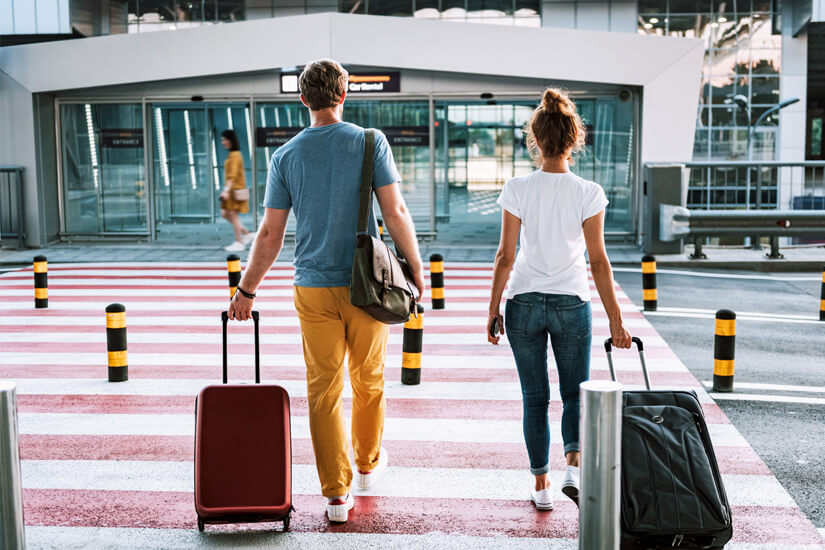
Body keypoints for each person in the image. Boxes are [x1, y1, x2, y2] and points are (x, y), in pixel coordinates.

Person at [227, 59, 425, 524]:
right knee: (369, 380)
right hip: (369, 286)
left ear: (303, 99)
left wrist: (246, 291)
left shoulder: (286, 156)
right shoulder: (370, 142)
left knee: (323, 390)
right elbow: (395, 212)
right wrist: (417, 275)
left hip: (313, 287)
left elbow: (270, 235)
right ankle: (367, 467)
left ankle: (336, 496)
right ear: (344, 94)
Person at [486, 87, 632, 512]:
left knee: (534, 398)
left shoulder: (517, 187)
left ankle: (541, 486)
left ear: (536, 138)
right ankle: (573, 466)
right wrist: (617, 321)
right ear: (574, 140)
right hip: (571, 301)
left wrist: (493, 308)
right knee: (573, 395)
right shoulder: (589, 191)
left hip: (524, 302)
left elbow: (505, 256)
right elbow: (599, 262)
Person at [219, 129, 254, 252]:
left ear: (230, 140)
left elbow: (232, 176)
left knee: (233, 216)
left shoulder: (235, 155)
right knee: (225, 214)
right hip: (232, 190)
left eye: (224, 139)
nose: (222, 142)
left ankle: (239, 242)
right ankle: (247, 233)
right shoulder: (233, 155)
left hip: (234, 191)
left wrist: (226, 190)